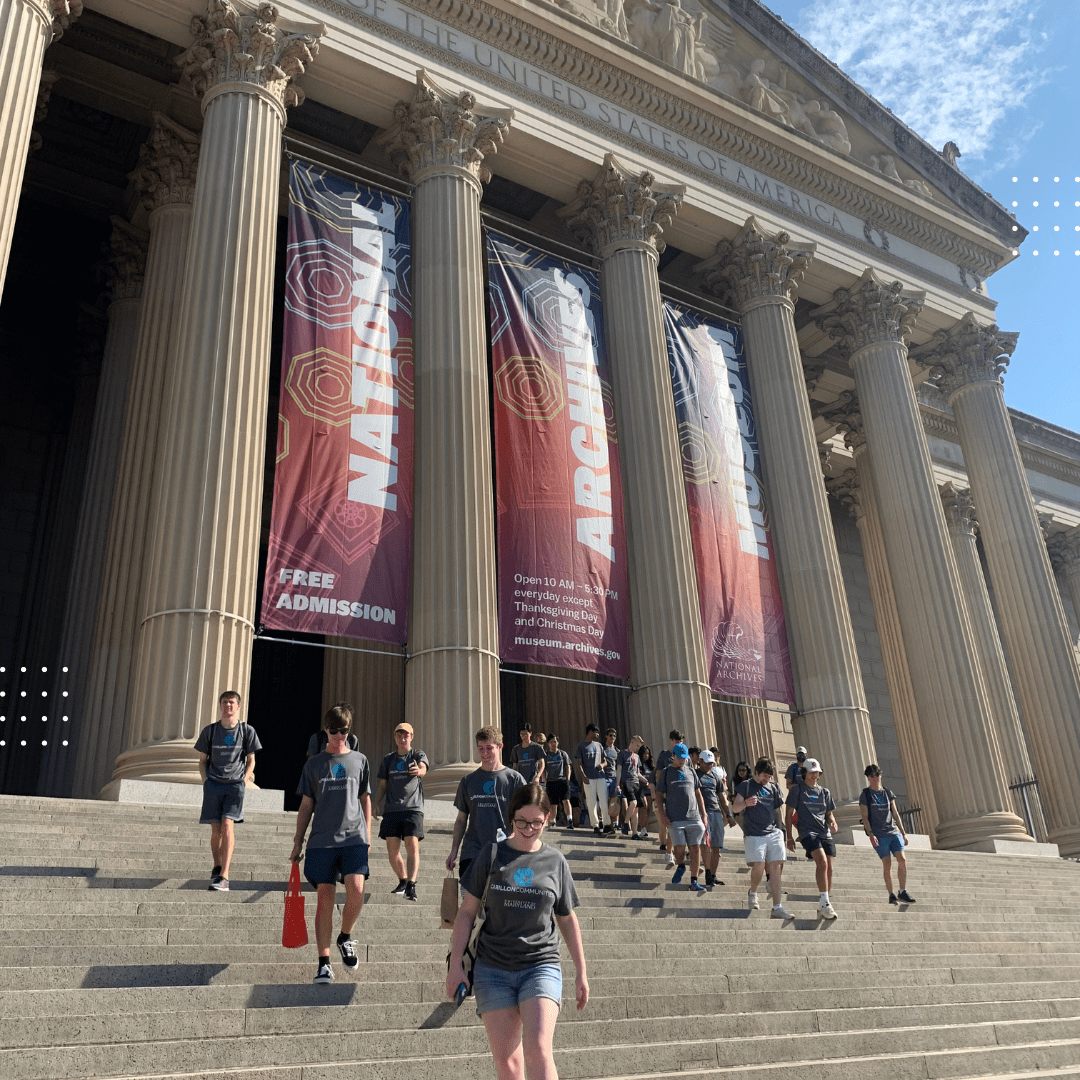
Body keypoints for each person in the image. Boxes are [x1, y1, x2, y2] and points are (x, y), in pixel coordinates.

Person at [446, 783, 588, 1080]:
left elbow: (567, 919)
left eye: (536, 822)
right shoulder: (492, 854)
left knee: (538, 1048)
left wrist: (581, 972)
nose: (528, 828)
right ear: (512, 817)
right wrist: (455, 965)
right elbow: (467, 913)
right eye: (522, 821)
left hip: (540, 965)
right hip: (492, 969)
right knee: (508, 1065)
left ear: (547, 819)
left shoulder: (555, 861)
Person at [290, 702, 371, 984]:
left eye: (344, 731)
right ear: (325, 730)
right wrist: (298, 841)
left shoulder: (360, 760)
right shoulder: (314, 764)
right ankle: (323, 963)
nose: (339, 736)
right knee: (324, 900)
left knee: (357, 892)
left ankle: (345, 936)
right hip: (321, 840)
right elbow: (305, 805)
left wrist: (368, 833)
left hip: (353, 837)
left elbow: (365, 798)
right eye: (334, 731)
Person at [195, 689, 262, 892]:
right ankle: (217, 866)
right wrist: (205, 780)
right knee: (216, 830)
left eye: (232, 702)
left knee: (227, 826)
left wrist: (244, 779)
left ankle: (225, 875)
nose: (228, 706)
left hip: (234, 785)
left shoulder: (247, 731)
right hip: (214, 783)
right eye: (225, 702)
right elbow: (202, 761)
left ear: (238, 706)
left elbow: (251, 760)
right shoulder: (210, 731)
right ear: (221, 705)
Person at [447, 727, 527, 882]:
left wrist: (516, 835)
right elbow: (461, 819)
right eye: (480, 748)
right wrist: (454, 851)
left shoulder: (514, 780)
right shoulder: (468, 781)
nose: (484, 753)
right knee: (469, 903)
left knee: (497, 904)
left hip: (505, 851)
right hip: (472, 852)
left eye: (489, 748)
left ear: (500, 747)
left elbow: (527, 814)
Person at [374, 721, 429, 902]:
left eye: (406, 735)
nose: (402, 738)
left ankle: (412, 885)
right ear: (395, 737)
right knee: (392, 850)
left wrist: (419, 771)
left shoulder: (417, 754)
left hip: (412, 809)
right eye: (399, 735)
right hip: (391, 809)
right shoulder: (388, 759)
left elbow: (423, 768)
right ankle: (403, 880)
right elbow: (383, 784)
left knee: (411, 845)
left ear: (411, 737)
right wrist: (376, 803)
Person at [732, 757, 792, 919]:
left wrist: (782, 831)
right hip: (754, 833)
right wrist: (746, 803)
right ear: (756, 773)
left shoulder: (773, 787)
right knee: (758, 866)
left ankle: (777, 907)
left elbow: (778, 810)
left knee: (775, 868)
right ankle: (753, 892)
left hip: (773, 832)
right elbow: (735, 807)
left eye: (769, 776)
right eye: (764, 776)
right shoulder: (745, 786)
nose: (767, 779)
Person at [784, 757, 838, 919]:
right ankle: (825, 902)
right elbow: (788, 814)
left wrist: (833, 822)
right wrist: (789, 837)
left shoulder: (824, 792)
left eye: (816, 772)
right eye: (811, 772)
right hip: (808, 832)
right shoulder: (797, 789)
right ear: (804, 773)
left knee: (829, 867)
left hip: (824, 832)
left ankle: (824, 903)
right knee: (821, 862)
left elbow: (829, 814)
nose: (814, 775)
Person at [654, 743, 708, 892]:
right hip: (675, 818)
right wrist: (662, 815)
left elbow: (698, 794)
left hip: (694, 816)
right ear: (674, 756)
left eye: (684, 758)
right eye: (679, 758)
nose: (682, 760)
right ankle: (681, 865)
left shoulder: (691, 771)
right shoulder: (666, 772)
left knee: (695, 849)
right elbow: (658, 795)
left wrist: (704, 814)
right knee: (679, 848)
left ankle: (694, 881)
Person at [860, 764, 917, 905]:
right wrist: (871, 834)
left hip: (893, 831)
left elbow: (895, 813)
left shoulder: (887, 792)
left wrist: (903, 833)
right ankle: (891, 894)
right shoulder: (866, 795)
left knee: (902, 860)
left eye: (877, 775)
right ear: (868, 778)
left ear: (880, 776)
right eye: (872, 776)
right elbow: (865, 817)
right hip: (879, 834)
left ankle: (902, 891)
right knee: (887, 863)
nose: (875, 778)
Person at [696, 749, 734, 888]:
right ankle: (707, 871)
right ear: (699, 761)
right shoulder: (695, 774)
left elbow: (722, 798)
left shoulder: (715, 776)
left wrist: (728, 815)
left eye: (711, 763)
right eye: (706, 763)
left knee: (716, 846)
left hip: (716, 812)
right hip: (701, 813)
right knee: (705, 844)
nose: (709, 766)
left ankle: (713, 875)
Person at [652, 729, 685, 866]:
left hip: (681, 796)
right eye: (676, 741)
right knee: (669, 824)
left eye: (681, 742)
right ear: (671, 741)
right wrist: (660, 793)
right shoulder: (664, 756)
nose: (678, 744)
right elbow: (658, 775)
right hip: (667, 795)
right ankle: (668, 852)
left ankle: (678, 854)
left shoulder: (684, 757)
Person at [574, 723, 613, 834]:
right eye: (596, 732)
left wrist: (603, 765)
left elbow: (605, 761)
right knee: (591, 803)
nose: (597, 734)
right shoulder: (581, 746)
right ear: (590, 732)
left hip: (600, 776)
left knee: (604, 801)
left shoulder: (599, 745)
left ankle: (606, 824)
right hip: (588, 778)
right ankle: (595, 826)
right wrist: (583, 776)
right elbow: (579, 763)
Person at [616, 734, 647, 839]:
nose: (638, 748)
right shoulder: (622, 754)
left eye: (639, 746)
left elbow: (637, 773)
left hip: (636, 783)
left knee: (636, 809)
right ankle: (625, 822)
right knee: (633, 803)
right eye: (637, 745)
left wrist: (646, 781)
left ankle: (634, 833)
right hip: (626, 781)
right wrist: (617, 784)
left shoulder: (637, 757)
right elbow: (619, 770)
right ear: (632, 742)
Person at [542, 734, 574, 828]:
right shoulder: (546, 755)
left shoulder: (563, 753)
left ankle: (570, 820)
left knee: (566, 801)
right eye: (551, 742)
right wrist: (545, 780)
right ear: (548, 743)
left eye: (555, 741)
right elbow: (543, 768)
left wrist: (567, 779)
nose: (553, 744)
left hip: (562, 780)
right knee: (553, 804)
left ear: (558, 743)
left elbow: (568, 766)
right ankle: (552, 822)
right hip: (551, 782)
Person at [602, 728, 622, 830]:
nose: (612, 737)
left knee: (615, 800)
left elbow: (619, 766)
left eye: (614, 736)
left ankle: (615, 823)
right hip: (604, 777)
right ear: (606, 736)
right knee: (605, 801)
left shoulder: (617, 751)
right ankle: (606, 823)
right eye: (610, 735)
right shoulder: (602, 749)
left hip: (614, 778)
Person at [637, 744, 655, 836]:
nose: (646, 756)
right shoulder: (639, 764)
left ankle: (645, 828)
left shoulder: (650, 765)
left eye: (648, 754)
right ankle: (641, 827)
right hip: (641, 789)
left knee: (648, 809)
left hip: (649, 789)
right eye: (644, 754)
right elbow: (637, 775)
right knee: (644, 807)